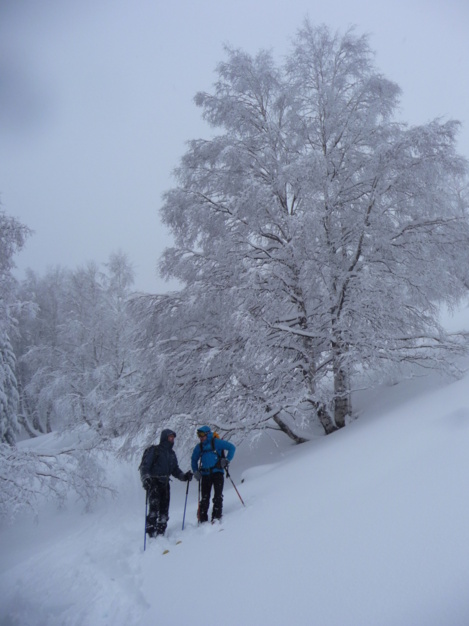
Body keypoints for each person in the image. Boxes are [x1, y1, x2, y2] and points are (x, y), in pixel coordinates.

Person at [140, 428, 192, 538]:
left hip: (165, 484)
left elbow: (174, 470)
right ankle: (150, 532)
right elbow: (145, 466)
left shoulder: (171, 454)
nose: (172, 439)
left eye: (173, 437)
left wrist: (184, 476)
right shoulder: (155, 450)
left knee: (164, 510)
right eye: (170, 437)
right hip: (154, 482)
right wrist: (146, 478)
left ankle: (161, 532)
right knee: (154, 509)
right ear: (164, 438)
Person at [191, 425, 236, 523]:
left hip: (217, 473)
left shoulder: (216, 442)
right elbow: (194, 459)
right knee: (205, 497)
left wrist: (227, 460)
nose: (201, 438)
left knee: (218, 496)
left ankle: (216, 517)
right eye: (199, 436)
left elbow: (232, 447)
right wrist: (195, 471)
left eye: (202, 435)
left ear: (207, 434)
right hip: (205, 474)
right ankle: (203, 518)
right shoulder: (199, 447)